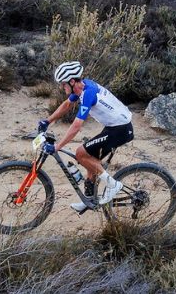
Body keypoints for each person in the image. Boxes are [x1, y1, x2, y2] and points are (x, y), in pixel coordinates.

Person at [37, 60, 133, 212]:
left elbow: (76, 126)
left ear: (72, 81)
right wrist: (47, 121)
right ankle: (89, 199)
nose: (62, 87)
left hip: (120, 129)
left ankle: (113, 185)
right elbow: (67, 105)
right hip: (114, 126)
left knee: (81, 153)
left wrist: (57, 146)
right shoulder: (81, 87)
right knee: (90, 159)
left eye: (63, 84)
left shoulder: (88, 93)